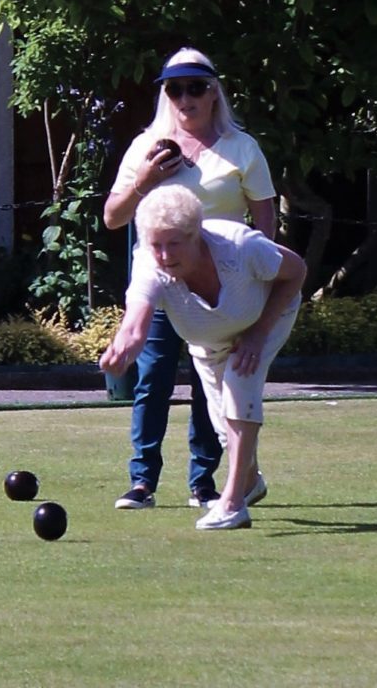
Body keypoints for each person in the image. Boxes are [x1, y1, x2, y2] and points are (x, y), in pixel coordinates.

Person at [104, 47, 277, 510]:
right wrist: (143, 180)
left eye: (196, 86)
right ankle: (142, 481)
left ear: (214, 92)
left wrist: (259, 284)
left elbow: (267, 222)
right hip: (161, 281)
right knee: (152, 376)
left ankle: (204, 482)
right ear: (166, 95)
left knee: (212, 385)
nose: (186, 97)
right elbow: (112, 218)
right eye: (175, 88)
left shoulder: (242, 148)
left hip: (224, 283)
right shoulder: (147, 146)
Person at [100, 184, 306, 529]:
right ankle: (250, 481)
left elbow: (296, 271)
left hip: (263, 320)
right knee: (227, 430)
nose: (164, 255)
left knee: (241, 384)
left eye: (174, 243)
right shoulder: (149, 265)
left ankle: (233, 504)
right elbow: (135, 325)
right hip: (208, 342)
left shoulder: (241, 246)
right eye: (156, 244)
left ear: (196, 235)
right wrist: (123, 348)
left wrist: (257, 335)